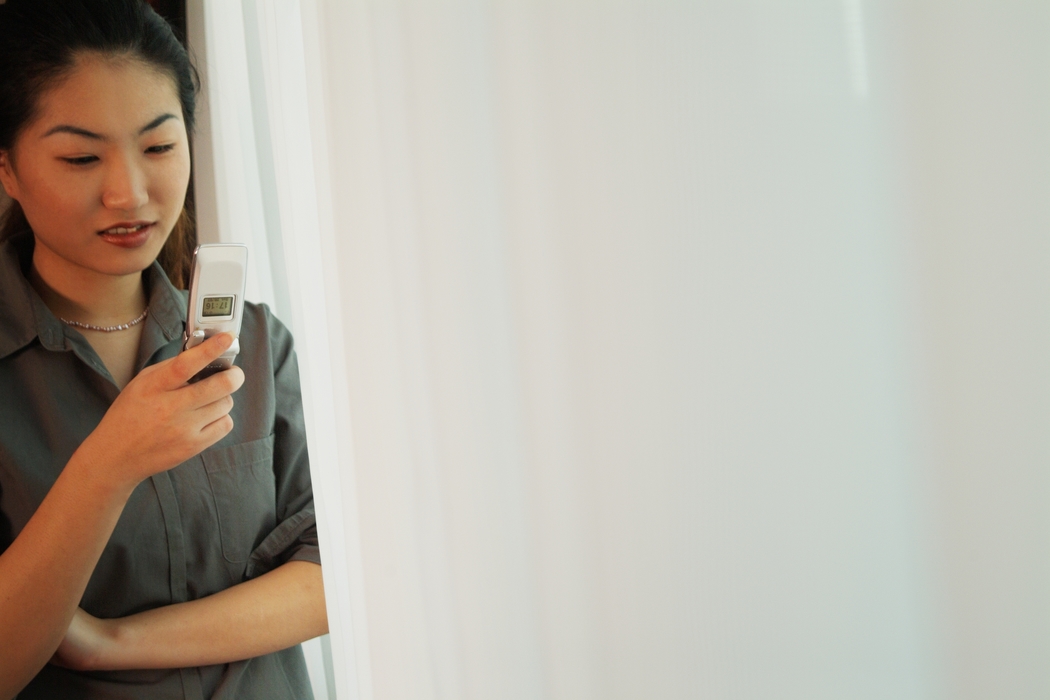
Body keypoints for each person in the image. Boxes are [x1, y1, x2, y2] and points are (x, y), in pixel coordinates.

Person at [0, 1, 327, 698]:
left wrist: (109, 644)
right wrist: (109, 464)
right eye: (80, 157)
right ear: (7, 168)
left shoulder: (256, 341)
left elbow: (333, 574)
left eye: (157, 146)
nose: (130, 193)